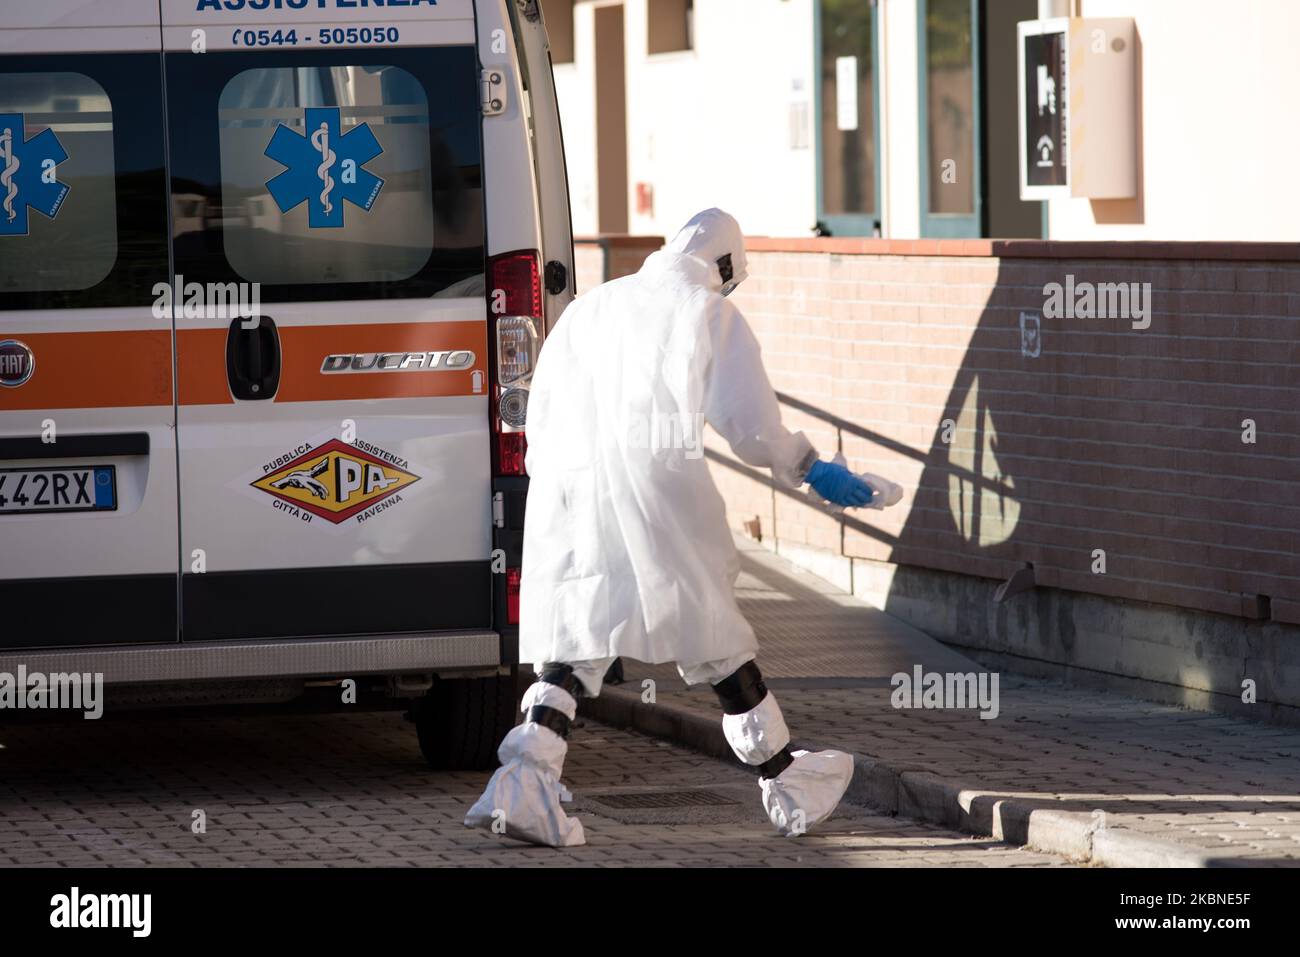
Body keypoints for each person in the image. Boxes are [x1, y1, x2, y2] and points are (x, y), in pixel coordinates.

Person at [466, 208, 895, 847]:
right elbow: (750, 425)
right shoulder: (707, 311)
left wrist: (550, 478)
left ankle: (526, 779)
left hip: (572, 489)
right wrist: (811, 468)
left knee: (579, 636)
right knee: (711, 626)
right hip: (658, 488)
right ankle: (784, 777)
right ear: (724, 266)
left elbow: (540, 406)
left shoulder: (590, 307)